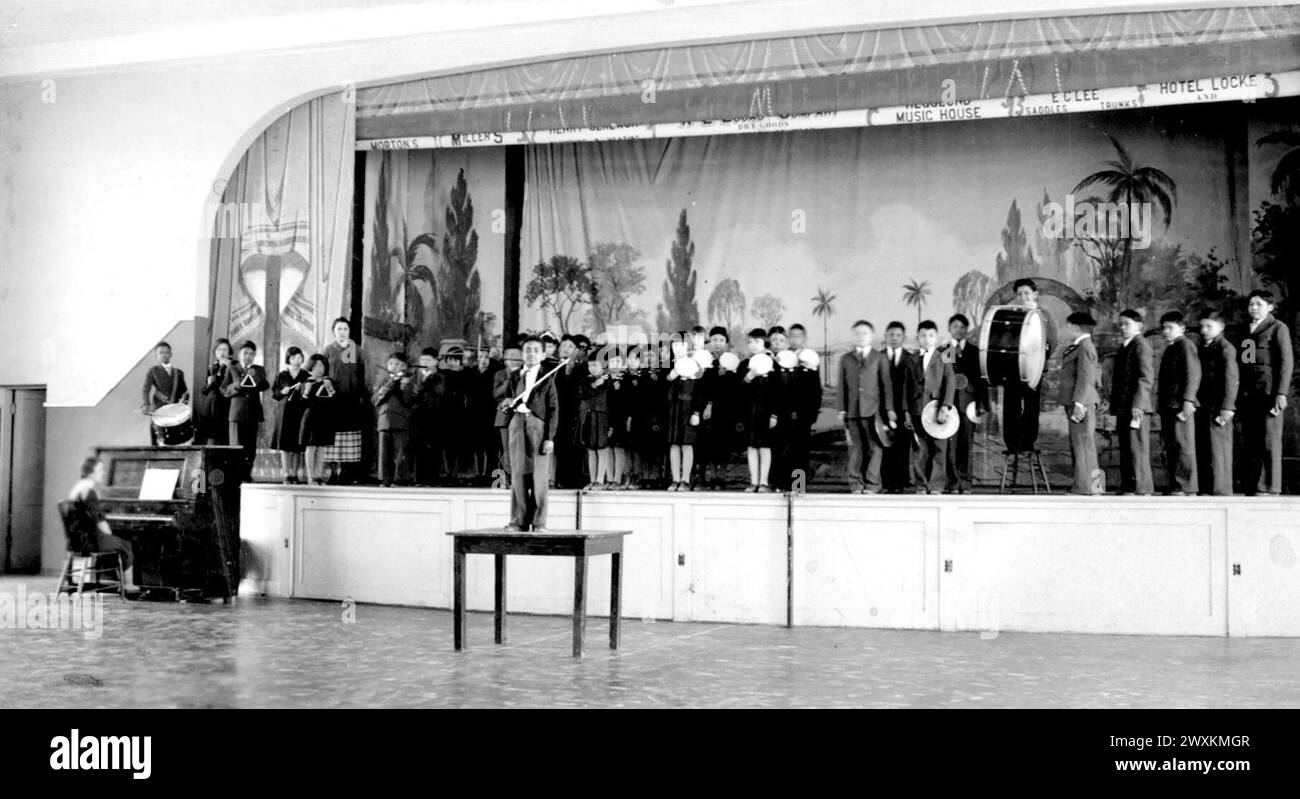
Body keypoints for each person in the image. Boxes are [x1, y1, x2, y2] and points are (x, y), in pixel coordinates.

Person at [501, 336, 560, 531]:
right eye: (528, 350)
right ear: (522, 354)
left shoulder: (548, 377)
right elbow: (508, 399)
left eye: (536, 350)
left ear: (543, 354)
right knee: (517, 473)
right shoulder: (515, 375)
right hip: (517, 424)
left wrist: (549, 438)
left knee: (539, 476)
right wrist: (507, 404)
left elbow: (553, 409)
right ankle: (519, 521)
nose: (531, 354)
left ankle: (539, 522)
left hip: (538, 427)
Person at [1240, 290, 1293, 496]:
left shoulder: (1278, 328)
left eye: (1259, 304)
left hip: (1270, 394)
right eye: (1251, 304)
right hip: (1250, 395)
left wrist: (1281, 393)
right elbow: (1246, 363)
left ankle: (1271, 487)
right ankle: (1254, 486)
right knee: (1252, 441)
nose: (1253, 308)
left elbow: (1285, 363)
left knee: (1270, 440)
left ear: (1270, 307)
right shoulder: (1248, 331)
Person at [838, 320, 896, 494]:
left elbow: (886, 385)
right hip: (853, 412)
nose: (861, 336)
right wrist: (841, 409)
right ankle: (856, 484)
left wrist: (889, 409)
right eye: (857, 333)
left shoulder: (880, 358)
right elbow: (842, 386)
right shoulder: (846, 359)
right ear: (852, 336)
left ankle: (872, 484)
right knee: (855, 450)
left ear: (872, 336)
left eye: (865, 333)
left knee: (875, 448)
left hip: (874, 412)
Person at [67, 457, 138, 594]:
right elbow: (99, 519)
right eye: (100, 470)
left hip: (77, 540)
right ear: (91, 472)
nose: (103, 473)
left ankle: (121, 583)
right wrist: (109, 534)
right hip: (89, 542)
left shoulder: (78, 487)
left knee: (117, 542)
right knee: (125, 544)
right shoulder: (89, 490)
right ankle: (128, 585)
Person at [905, 320, 956, 494]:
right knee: (919, 449)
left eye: (931, 335)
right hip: (917, 410)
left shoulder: (945, 353)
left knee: (939, 449)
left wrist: (945, 407)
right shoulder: (911, 358)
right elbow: (906, 387)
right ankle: (921, 484)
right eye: (923, 336)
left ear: (936, 337)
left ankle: (936, 486)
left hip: (937, 409)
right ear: (917, 338)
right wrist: (906, 412)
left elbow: (950, 382)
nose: (927, 339)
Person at [1002, 278, 1053, 452]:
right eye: (1019, 294)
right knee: (1011, 406)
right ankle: (1012, 442)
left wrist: (1037, 361)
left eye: (1026, 293)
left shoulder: (1044, 314)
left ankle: (1028, 441)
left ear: (1035, 295)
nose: (1022, 297)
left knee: (1031, 406)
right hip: (1011, 368)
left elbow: (1052, 340)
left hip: (1034, 369)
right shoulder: (1011, 313)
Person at [941, 314, 988, 494]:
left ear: (966, 330)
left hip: (969, 404)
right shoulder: (946, 349)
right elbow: (942, 379)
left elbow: (981, 380)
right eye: (955, 326)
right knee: (950, 446)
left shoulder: (974, 351)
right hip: (949, 403)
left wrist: (982, 405)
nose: (958, 330)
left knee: (966, 445)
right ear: (949, 329)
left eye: (962, 327)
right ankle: (952, 483)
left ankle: (966, 483)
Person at [1156, 311, 1201, 496]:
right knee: (1172, 445)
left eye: (1170, 328)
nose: (1166, 331)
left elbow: (1193, 374)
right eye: (1164, 328)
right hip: (1169, 405)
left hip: (1181, 404)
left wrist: (1188, 400)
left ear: (1182, 328)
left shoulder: (1186, 346)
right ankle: (1176, 483)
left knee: (1184, 446)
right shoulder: (1171, 348)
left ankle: (1187, 486)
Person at [1196, 310, 1238, 496]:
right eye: (1201, 326)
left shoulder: (1226, 348)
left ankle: (1221, 490)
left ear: (1221, 328)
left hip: (1219, 406)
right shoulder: (1202, 347)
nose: (1204, 330)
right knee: (1204, 447)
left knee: (1219, 450)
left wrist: (1228, 406)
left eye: (1209, 326)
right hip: (1203, 405)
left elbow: (1231, 379)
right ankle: (1206, 488)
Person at [1112, 309, 1154, 496]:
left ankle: (1142, 488)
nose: (1122, 327)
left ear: (1139, 326)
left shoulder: (1141, 345)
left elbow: (1145, 378)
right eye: (1120, 324)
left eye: (1126, 324)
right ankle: (1129, 486)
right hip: (1124, 406)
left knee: (1137, 448)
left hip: (1135, 406)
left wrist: (1138, 404)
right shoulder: (1125, 346)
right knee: (1127, 447)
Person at [321, 318, 368, 485]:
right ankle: (333, 472)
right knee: (333, 437)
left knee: (349, 436)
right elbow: (322, 371)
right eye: (339, 329)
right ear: (334, 331)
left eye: (345, 329)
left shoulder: (356, 350)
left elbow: (362, 373)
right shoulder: (328, 350)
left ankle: (345, 472)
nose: (342, 332)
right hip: (333, 399)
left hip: (352, 400)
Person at [1059, 312, 1101, 495]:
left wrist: (1079, 404)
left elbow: (1086, 378)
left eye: (1068, 326)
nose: (1066, 329)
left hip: (1081, 403)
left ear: (1076, 327)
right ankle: (1092, 486)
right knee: (1082, 444)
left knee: (1084, 444)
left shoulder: (1085, 347)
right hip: (1078, 401)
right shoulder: (1080, 346)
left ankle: (1087, 487)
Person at [221, 340, 270, 482]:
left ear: (254, 355)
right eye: (245, 353)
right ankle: (235, 476)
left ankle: (247, 475)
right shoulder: (232, 367)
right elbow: (224, 389)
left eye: (251, 354)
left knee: (250, 447)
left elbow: (265, 385)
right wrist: (237, 385)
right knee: (236, 446)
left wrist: (255, 376)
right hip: (236, 414)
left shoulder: (258, 369)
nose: (247, 356)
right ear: (239, 354)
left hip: (253, 414)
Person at [696, 327, 739, 490]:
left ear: (726, 343)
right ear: (709, 343)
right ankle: (712, 476)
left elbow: (734, 390)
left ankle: (722, 476)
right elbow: (703, 388)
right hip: (707, 411)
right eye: (714, 340)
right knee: (709, 444)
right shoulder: (706, 363)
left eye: (721, 340)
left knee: (724, 445)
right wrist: (707, 406)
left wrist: (727, 374)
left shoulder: (732, 363)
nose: (718, 344)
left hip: (725, 411)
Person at [664, 333, 703, 491]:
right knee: (674, 444)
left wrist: (696, 412)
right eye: (675, 345)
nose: (679, 348)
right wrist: (669, 377)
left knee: (687, 444)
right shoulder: (668, 366)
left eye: (683, 345)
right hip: (674, 410)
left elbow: (700, 392)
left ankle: (686, 479)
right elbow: (661, 391)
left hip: (688, 410)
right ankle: (675, 479)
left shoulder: (696, 366)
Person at [740, 328, 777, 492]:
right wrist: (747, 379)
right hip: (750, 412)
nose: (753, 345)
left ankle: (764, 482)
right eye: (750, 342)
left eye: (757, 342)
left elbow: (779, 393)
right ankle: (754, 481)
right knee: (752, 446)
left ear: (765, 343)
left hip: (767, 413)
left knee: (765, 446)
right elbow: (737, 392)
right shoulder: (744, 365)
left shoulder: (773, 364)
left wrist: (774, 414)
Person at [882, 321, 916, 492]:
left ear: (903, 338)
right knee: (884, 445)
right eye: (891, 335)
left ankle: (901, 482)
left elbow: (913, 387)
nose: (894, 338)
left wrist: (908, 410)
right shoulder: (878, 357)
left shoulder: (910, 359)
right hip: (882, 411)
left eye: (898, 335)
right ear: (885, 336)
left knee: (903, 446)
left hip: (904, 410)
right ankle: (886, 482)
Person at [374, 351, 416, 487]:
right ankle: (386, 480)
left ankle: (399, 480)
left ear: (404, 366)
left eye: (398, 364)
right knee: (385, 453)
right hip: (384, 420)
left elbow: (408, 400)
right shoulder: (383, 380)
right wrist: (386, 388)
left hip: (401, 420)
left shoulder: (408, 380)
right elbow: (374, 400)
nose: (394, 366)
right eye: (391, 363)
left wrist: (400, 385)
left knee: (400, 453)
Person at [271, 346, 310, 484]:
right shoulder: (282, 375)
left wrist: (303, 389)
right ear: (288, 359)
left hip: (300, 412)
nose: (296, 360)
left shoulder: (306, 375)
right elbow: (274, 395)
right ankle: (287, 474)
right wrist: (283, 391)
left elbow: (310, 394)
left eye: (299, 357)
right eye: (293, 357)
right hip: (285, 413)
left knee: (298, 446)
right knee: (285, 445)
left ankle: (295, 474)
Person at [298, 354, 336, 485]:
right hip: (310, 418)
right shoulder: (306, 383)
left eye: (323, 365)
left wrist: (331, 389)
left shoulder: (328, 382)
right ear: (311, 367)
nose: (321, 368)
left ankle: (319, 475)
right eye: (318, 365)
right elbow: (301, 404)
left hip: (324, 418)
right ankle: (311, 476)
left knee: (321, 447)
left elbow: (334, 401)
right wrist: (306, 392)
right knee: (311, 446)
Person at [141, 341, 189, 444]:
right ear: (156, 355)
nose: (164, 355)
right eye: (160, 353)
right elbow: (146, 390)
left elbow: (184, 391)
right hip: (159, 410)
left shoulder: (178, 373)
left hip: (173, 411)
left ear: (171, 354)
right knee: (158, 441)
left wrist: (184, 399)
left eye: (166, 352)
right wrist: (146, 404)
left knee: (175, 440)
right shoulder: (153, 371)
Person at [579, 357, 614, 488]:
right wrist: (594, 385)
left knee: (602, 448)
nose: (592, 368)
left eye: (596, 365)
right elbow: (583, 394)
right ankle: (592, 479)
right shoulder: (586, 381)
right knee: (591, 449)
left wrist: (612, 424)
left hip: (603, 417)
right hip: (589, 417)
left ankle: (600, 479)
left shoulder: (608, 382)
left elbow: (612, 403)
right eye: (590, 365)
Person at [492, 347, 523, 487]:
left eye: (515, 356)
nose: (512, 360)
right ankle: (508, 478)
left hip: (520, 414)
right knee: (507, 449)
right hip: (504, 415)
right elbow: (496, 394)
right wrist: (508, 379)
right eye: (509, 357)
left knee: (520, 447)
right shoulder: (500, 374)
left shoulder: (525, 374)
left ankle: (520, 478)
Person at [412, 347, 442, 486]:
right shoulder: (415, 375)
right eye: (422, 359)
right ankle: (419, 479)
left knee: (433, 447)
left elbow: (439, 392)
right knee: (418, 447)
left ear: (436, 362)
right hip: (418, 415)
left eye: (428, 360)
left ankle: (432, 479)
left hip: (434, 416)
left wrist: (427, 379)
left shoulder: (440, 376)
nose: (424, 362)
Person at [195, 338, 233, 445]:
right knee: (210, 434)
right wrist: (209, 383)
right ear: (215, 352)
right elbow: (204, 391)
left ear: (229, 351)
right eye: (219, 350)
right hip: (212, 404)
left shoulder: (233, 365)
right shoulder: (212, 367)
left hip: (226, 404)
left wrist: (228, 367)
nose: (222, 352)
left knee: (224, 435)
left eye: (225, 350)